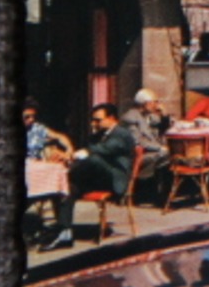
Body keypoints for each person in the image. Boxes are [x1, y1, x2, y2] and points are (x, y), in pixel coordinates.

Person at [38, 104, 136, 252]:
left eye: (98, 120)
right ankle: (65, 234)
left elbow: (105, 149)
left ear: (111, 118)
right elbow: (88, 152)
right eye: (93, 120)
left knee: (92, 159)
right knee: (67, 188)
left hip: (114, 180)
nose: (94, 123)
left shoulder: (122, 134)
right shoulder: (97, 135)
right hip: (95, 178)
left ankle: (64, 173)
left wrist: (74, 155)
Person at [121, 88, 172, 178]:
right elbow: (138, 142)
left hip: (148, 151)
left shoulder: (148, 116)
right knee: (168, 155)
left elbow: (162, 126)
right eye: (154, 102)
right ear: (144, 104)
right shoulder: (131, 118)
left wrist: (164, 115)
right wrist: (160, 148)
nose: (157, 105)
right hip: (137, 156)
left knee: (173, 154)